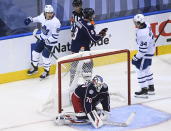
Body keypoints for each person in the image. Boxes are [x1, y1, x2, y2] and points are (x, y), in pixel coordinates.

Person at [69, 7, 108, 89]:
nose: (94, 16)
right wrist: (102, 35)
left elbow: (84, 33)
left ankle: (72, 86)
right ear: (89, 16)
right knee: (88, 66)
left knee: (74, 68)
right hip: (82, 51)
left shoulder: (79, 22)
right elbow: (94, 39)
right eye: (92, 15)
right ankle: (87, 86)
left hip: (74, 48)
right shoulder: (88, 26)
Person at [24, 5, 61, 79]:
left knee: (45, 57)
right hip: (42, 38)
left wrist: (47, 40)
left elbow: (55, 37)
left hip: (50, 42)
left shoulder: (56, 22)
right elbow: (38, 18)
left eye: (51, 13)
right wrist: (31, 19)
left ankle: (46, 72)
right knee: (35, 53)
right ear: (45, 12)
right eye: (48, 13)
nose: (50, 14)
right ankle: (35, 68)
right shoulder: (42, 15)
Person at [132, 14, 155, 98]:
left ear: (139, 23)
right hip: (150, 50)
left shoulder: (143, 34)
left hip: (145, 54)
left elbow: (143, 50)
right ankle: (151, 88)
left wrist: (136, 57)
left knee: (139, 70)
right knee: (147, 68)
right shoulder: (147, 24)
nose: (134, 23)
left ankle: (144, 89)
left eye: (135, 22)